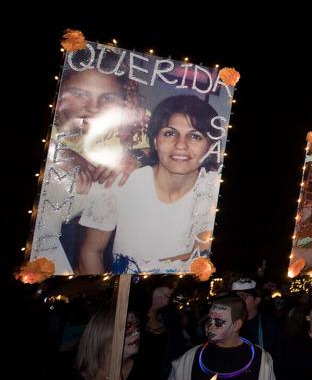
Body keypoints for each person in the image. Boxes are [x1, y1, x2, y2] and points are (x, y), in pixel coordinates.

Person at [31, 50, 149, 274]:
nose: (94, 107)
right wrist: (62, 153)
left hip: (96, 221)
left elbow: (148, 149)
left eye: (107, 97)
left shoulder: (130, 124)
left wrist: (133, 157)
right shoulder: (54, 128)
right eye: (80, 93)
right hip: (49, 222)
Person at [78, 94, 223, 274]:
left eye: (195, 136)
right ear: (154, 140)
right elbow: (90, 253)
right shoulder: (121, 182)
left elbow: (200, 257)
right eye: (170, 133)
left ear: (210, 146)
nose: (181, 145)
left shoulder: (213, 191)